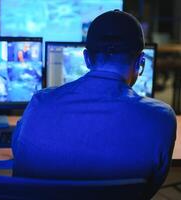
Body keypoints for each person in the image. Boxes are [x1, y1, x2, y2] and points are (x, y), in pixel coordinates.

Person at [11, 10, 176, 199]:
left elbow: (20, 154)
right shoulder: (161, 118)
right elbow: (147, 190)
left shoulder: (39, 103)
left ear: (87, 59)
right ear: (140, 62)